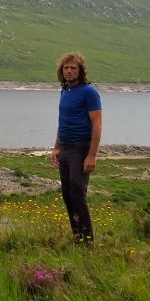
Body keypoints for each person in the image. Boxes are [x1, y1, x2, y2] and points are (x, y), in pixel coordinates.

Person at [51, 52, 102, 246]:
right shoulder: (65, 91)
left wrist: (92, 155)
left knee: (78, 194)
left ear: (80, 71)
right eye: (66, 68)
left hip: (81, 149)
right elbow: (62, 121)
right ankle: (76, 237)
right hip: (65, 148)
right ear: (61, 71)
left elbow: (97, 124)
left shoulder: (89, 92)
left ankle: (88, 242)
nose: (69, 71)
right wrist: (56, 147)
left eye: (73, 68)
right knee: (67, 195)